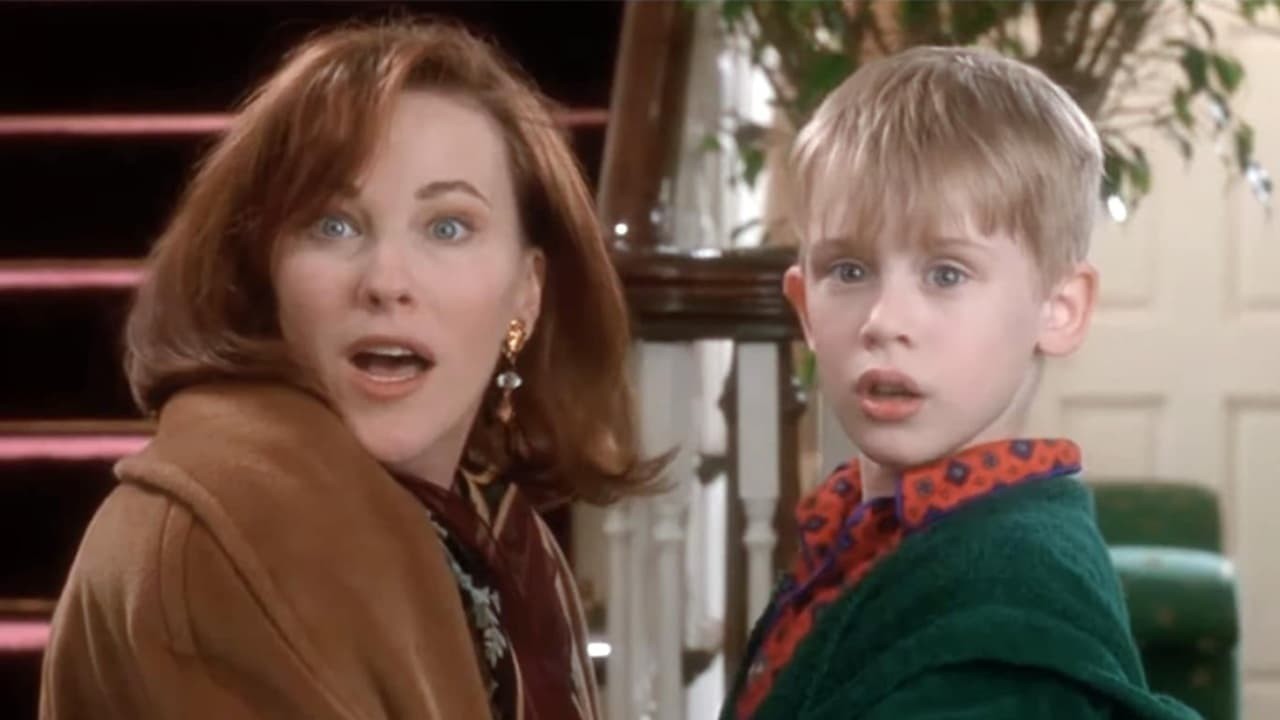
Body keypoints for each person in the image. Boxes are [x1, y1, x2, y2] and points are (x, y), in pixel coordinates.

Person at [40, 20, 660, 720]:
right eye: (334, 225)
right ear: (263, 273)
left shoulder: (497, 531)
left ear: (528, 291)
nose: (385, 281)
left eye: (448, 227)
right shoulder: (232, 534)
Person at [722, 47, 1199, 719]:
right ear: (804, 306)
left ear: (1060, 309)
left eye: (946, 274)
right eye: (849, 271)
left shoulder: (1012, 594)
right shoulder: (866, 539)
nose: (885, 321)